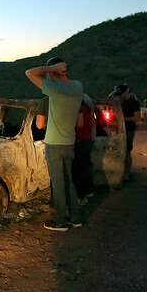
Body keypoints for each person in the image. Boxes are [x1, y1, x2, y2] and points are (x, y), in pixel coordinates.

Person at [25, 57, 83, 231]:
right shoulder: (78, 87)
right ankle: (75, 218)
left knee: (58, 183)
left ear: (53, 73)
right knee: (69, 181)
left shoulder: (54, 91)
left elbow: (29, 73)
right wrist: (57, 70)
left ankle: (60, 221)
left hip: (54, 144)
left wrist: (50, 68)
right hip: (70, 142)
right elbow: (80, 123)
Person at [109, 83, 141, 180]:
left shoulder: (133, 102)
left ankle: (126, 173)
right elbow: (109, 97)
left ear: (125, 93)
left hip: (129, 130)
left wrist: (122, 120)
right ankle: (120, 171)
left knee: (127, 151)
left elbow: (137, 117)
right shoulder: (119, 101)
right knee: (119, 151)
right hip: (119, 130)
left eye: (120, 93)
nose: (118, 96)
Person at [72, 94, 95, 205]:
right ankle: (88, 192)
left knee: (79, 171)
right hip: (88, 140)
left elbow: (80, 125)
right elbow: (92, 124)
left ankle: (81, 197)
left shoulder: (80, 109)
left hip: (81, 141)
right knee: (86, 168)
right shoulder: (88, 109)